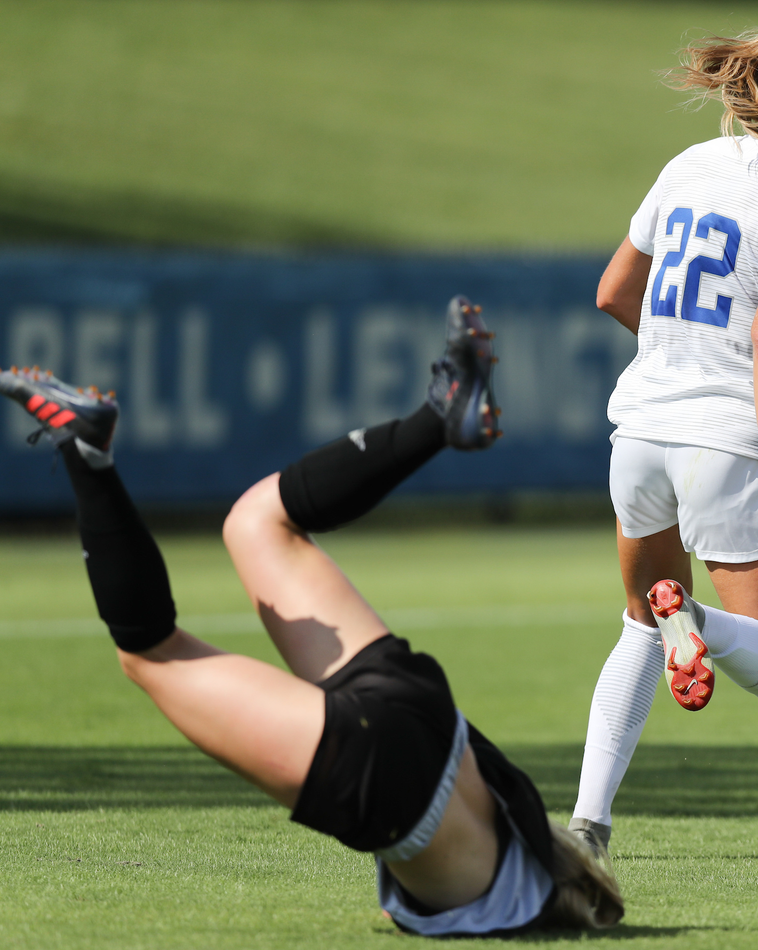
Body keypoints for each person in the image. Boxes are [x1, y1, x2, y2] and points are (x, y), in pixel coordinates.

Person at [1, 297, 623, 936]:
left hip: (429, 711)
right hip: (397, 779)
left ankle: (438, 418)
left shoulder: (520, 840)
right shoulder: (506, 897)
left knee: (257, 521)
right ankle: (85, 454)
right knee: (149, 655)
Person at [568, 17, 758, 855]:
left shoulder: (688, 166)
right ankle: (693, 616)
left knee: (640, 626)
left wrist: (678, 357)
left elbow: (611, 293)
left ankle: (588, 827)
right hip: (726, 446)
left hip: (639, 433)